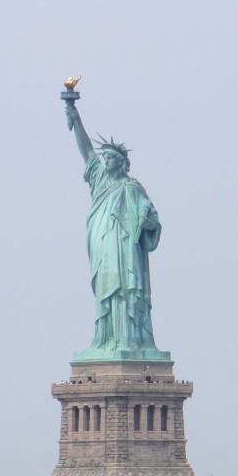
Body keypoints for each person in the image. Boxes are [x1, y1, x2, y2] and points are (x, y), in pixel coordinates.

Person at [65, 101, 161, 353]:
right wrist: (75, 118)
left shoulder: (133, 188)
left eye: (109, 157)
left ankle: (130, 339)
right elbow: (86, 151)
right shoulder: (99, 179)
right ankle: (106, 339)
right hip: (104, 247)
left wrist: (147, 222)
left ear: (121, 162)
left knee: (126, 292)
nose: (105, 160)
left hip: (126, 250)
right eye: (104, 157)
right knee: (107, 291)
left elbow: (152, 221)